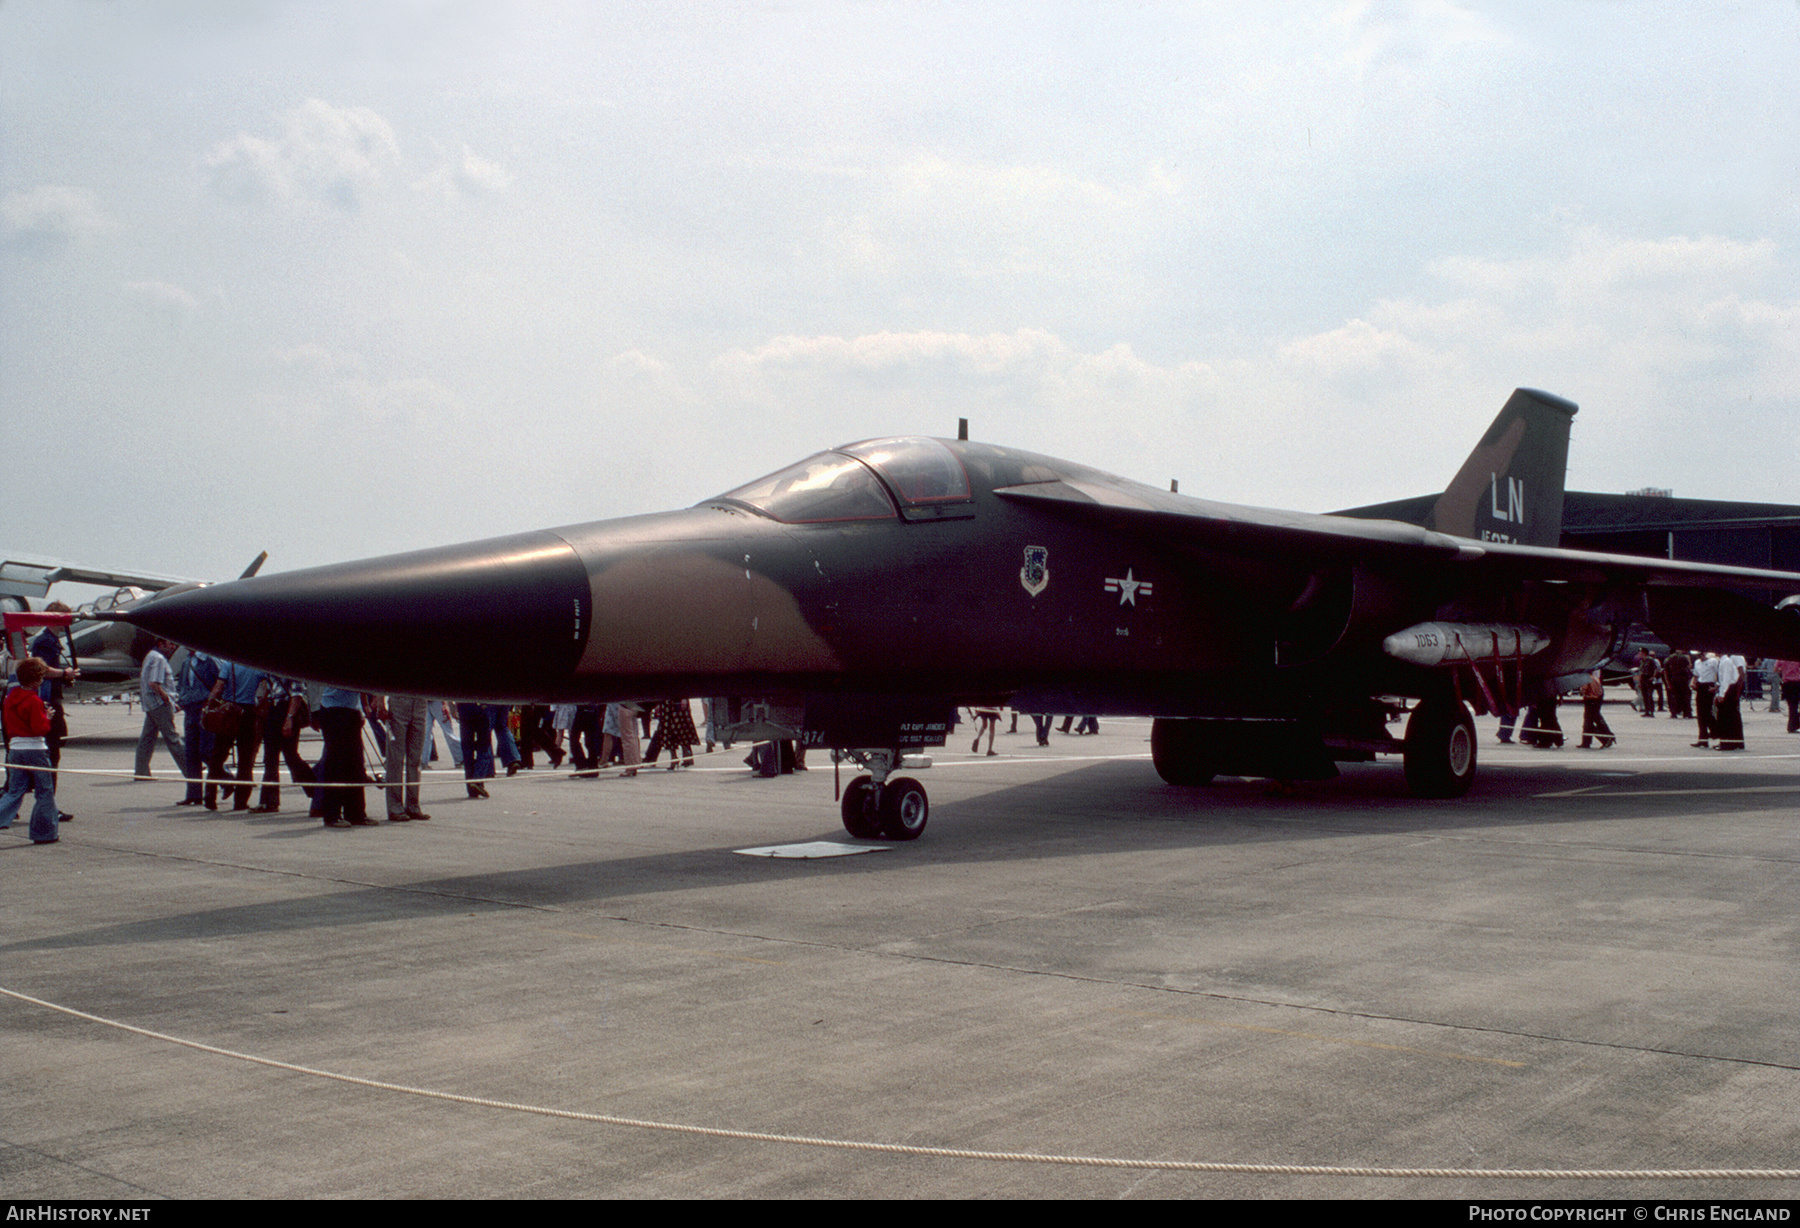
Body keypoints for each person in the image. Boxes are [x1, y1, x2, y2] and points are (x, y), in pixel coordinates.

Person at [1, 658, 63, 843]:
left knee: (14, 791)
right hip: (35, 749)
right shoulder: (34, 700)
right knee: (44, 791)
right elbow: (39, 729)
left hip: (15, 749)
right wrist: (47, 717)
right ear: (35, 680)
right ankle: (45, 833)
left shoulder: (11, 697)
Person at [315, 685, 376, 827]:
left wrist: (362, 707)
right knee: (335, 764)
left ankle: (356, 813)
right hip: (333, 709)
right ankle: (332, 815)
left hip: (351, 710)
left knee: (356, 764)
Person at [134, 638, 186, 781]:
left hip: (151, 704)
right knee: (172, 738)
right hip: (159, 704)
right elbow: (154, 683)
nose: (173, 647)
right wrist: (167, 699)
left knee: (147, 738)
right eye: (170, 644)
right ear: (160, 644)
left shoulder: (150, 656)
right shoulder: (159, 659)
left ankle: (141, 772)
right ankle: (191, 770)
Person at [382, 694, 431, 821]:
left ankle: (413, 805)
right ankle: (395, 808)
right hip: (399, 700)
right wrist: (380, 704)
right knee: (395, 759)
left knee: (415, 760)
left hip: (420, 702)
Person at [1578, 670, 1615, 749]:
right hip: (1597, 700)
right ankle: (1588, 741)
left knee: (1588, 723)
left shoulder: (1585, 679)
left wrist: (1581, 691)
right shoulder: (1595, 678)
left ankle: (1605, 739)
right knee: (1595, 720)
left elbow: (1583, 690)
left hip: (1590, 701)